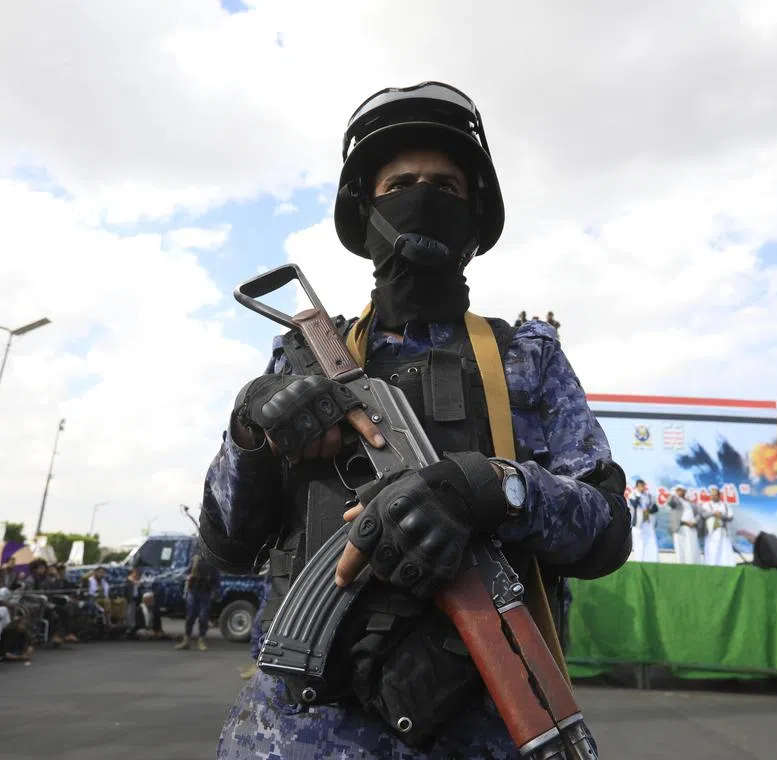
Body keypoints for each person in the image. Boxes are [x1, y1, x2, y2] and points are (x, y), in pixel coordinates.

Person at [199, 81, 631, 758]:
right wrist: (250, 435)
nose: (423, 196)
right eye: (400, 183)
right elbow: (229, 540)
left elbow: (605, 530)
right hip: (298, 736)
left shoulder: (525, 357)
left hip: (487, 721)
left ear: (474, 213)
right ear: (364, 210)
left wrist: (492, 486)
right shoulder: (305, 356)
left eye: (446, 186)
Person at [176, 553, 221, 651]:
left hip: (205, 593)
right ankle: (186, 641)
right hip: (193, 591)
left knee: (203, 617)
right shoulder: (195, 559)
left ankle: (201, 641)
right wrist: (187, 577)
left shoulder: (212, 562)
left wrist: (214, 591)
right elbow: (186, 573)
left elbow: (217, 579)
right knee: (190, 617)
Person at [700, 486, 736, 567]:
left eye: (715, 495)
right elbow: (703, 515)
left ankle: (726, 567)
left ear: (719, 495)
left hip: (723, 531)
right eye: (711, 495)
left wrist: (722, 516)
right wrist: (713, 513)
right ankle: (711, 567)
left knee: (724, 550)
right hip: (711, 532)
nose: (713, 496)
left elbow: (731, 517)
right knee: (711, 550)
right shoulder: (706, 505)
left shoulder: (725, 505)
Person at [667, 485, 699, 565]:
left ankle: (692, 565)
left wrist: (694, 522)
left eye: (682, 490)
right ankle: (681, 566)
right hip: (680, 527)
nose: (681, 492)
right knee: (680, 547)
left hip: (691, 527)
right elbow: (669, 502)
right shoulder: (675, 500)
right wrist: (673, 494)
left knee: (691, 547)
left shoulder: (690, 502)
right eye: (678, 490)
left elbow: (698, 514)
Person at [628, 479, 659, 562]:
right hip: (638, 524)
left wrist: (648, 510)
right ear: (637, 486)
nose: (643, 487)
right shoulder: (633, 495)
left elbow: (655, 508)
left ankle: (652, 562)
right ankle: (639, 563)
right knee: (639, 544)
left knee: (651, 542)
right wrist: (638, 495)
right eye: (641, 485)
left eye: (643, 485)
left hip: (648, 523)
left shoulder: (648, 496)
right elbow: (634, 504)